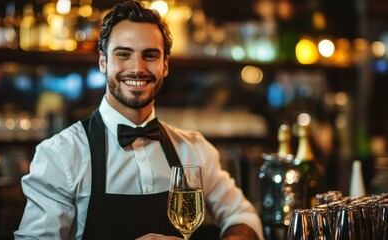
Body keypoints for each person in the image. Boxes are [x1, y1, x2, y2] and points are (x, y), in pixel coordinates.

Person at [14, 1, 264, 239]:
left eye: (150, 55)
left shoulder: (194, 149)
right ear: (103, 61)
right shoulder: (62, 155)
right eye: (124, 54)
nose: (137, 67)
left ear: (165, 65)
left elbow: (243, 216)